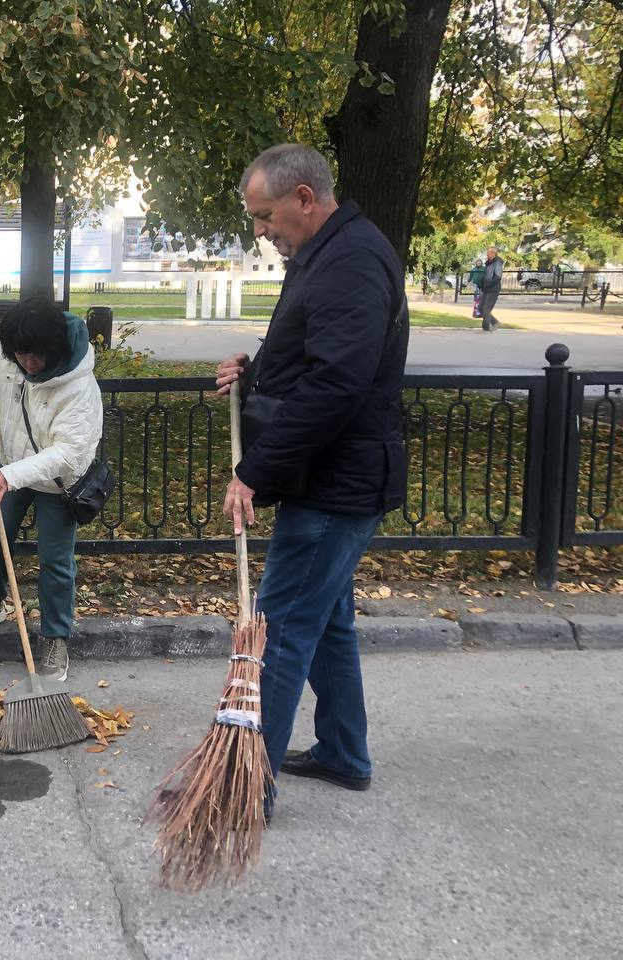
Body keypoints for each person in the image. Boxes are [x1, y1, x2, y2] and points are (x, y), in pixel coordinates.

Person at [215, 143, 408, 818]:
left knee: (283, 627)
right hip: (336, 480)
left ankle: (245, 783)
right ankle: (343, 754)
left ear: (303, 198)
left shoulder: (351, 261)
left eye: (265, 216)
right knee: (327, 625)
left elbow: (337, 384)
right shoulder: (327, 253)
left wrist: (255, 471)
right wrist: (255, 369)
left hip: (335, 487)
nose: (260, 231)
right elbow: (313, 353)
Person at [0, 298, 103, 682]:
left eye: (35, 356)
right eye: (20, 355)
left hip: (58, 482)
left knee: (55, 561)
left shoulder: (79, 387)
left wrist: (11, 476)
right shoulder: (6, 355)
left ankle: (56, 637)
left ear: (53, 347)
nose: (27, 364)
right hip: (11, 465)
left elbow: (70, 453)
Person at [479, 246, 503, 331]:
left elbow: (498, 277)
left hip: (493, 289)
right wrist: (483, 284)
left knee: (486, 309)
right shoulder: (489, 262)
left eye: (488, 252)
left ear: (493, 253)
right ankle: (494, 322)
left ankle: (487, 326)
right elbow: (487, 275)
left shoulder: (497, 263)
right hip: (486, 289)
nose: (486, 254)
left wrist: (488, 284)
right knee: (481, 308)